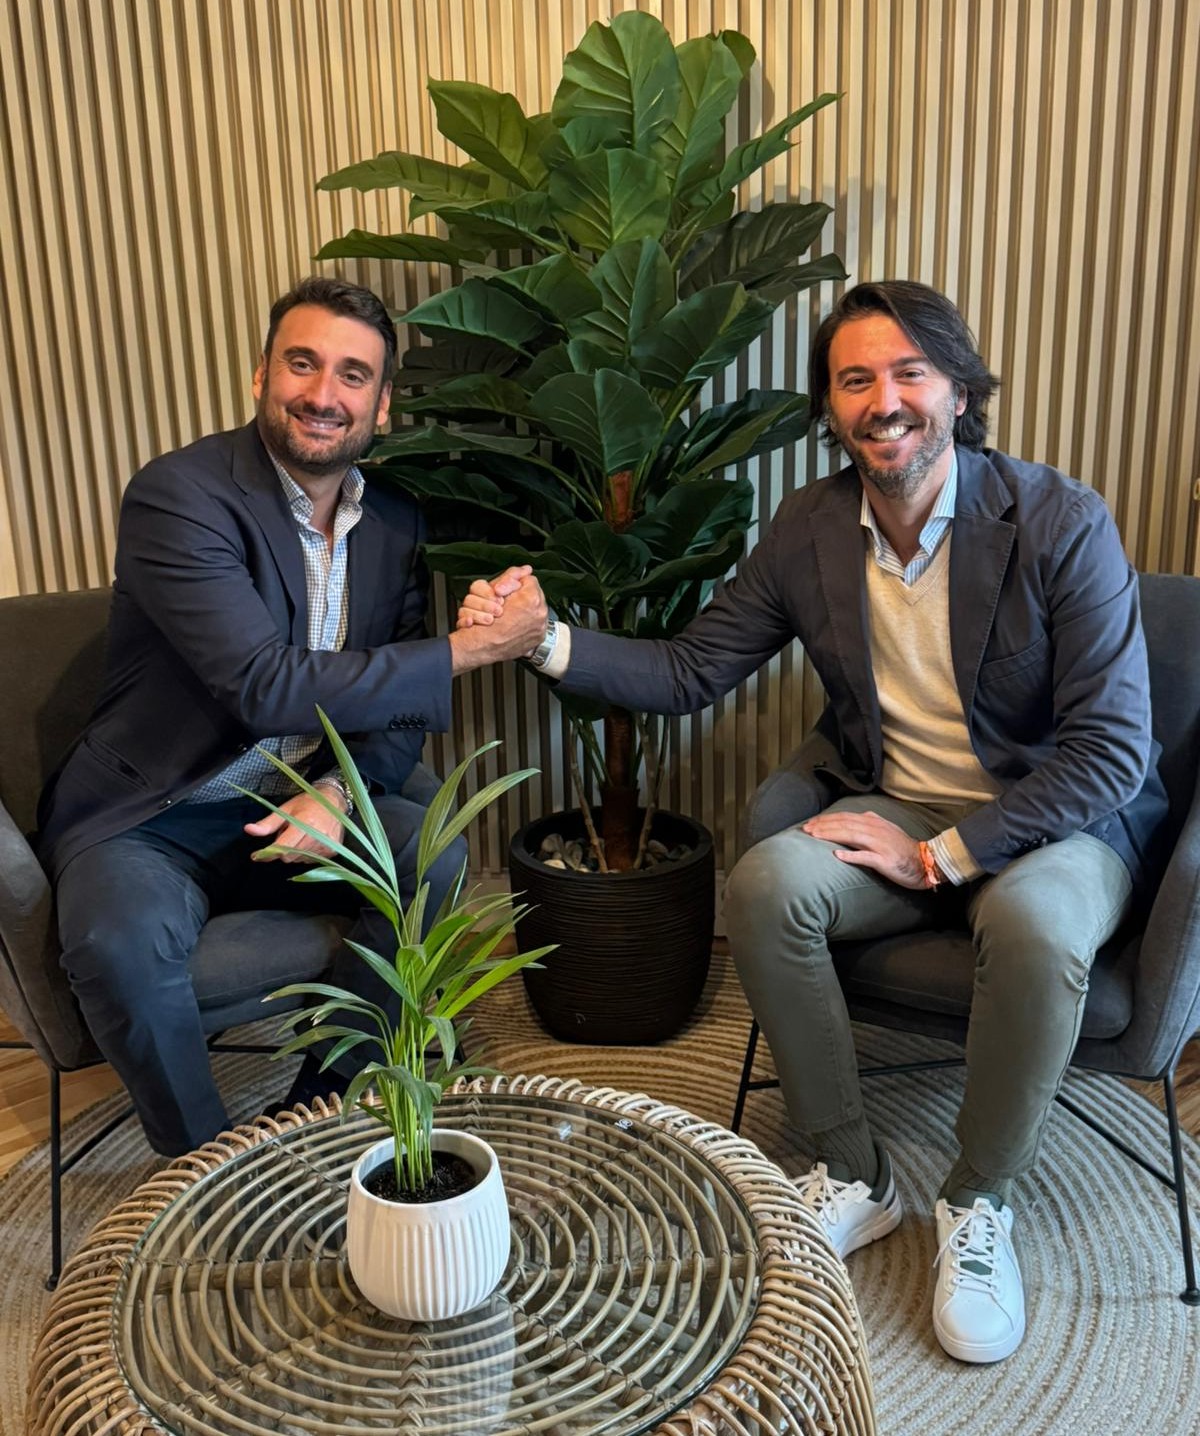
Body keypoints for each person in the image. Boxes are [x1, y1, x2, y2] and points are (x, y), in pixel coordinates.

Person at [457, 280, 1168, 1363]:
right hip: (900, 797)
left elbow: (1110, 752)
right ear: (830, 408)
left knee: (1034, 925)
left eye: (910, 373)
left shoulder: (1059, 518)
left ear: (961, 393)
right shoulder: (812, 526)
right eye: (854, 380)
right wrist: (544, 639)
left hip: (1057, 815)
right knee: (764, 885)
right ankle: (855, 1169)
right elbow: (693, 668)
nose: (885, 401)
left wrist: (942, 855)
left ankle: (978, 1200)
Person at [38, 275, 546, 1158]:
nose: (322, 395)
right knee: (117, 944)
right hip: (155, 814)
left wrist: (338, 794)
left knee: (433, 855)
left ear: (381, 406)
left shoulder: (394, 522)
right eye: (301, 364)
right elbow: (262, 683)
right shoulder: (178, 495)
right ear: (261, 375)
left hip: (294, 803)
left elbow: (393, 712)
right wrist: (470, 651)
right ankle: (213, 1172)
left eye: (353, 375)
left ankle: (322, 1108)